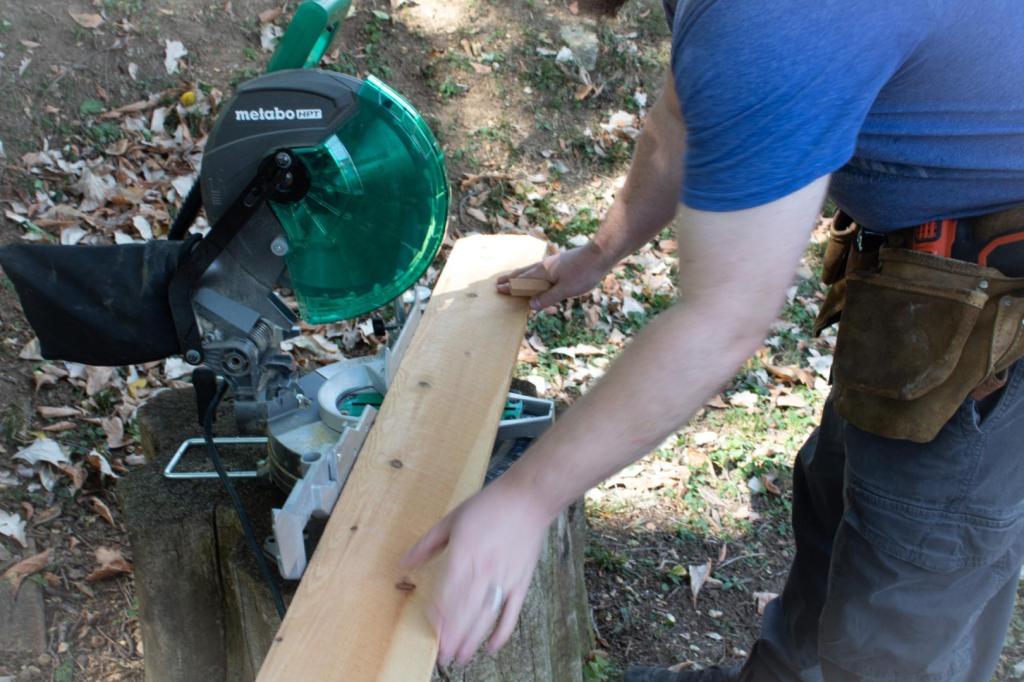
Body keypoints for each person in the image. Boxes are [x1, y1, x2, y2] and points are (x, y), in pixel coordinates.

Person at [402, 1, 1024, 679]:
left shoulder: (769, 18)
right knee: (837, 504)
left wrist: (525, 501)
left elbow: (725, 319)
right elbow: (677, 123)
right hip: (928, 293)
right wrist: (602, 252)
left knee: (904, 596)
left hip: (994, 315)